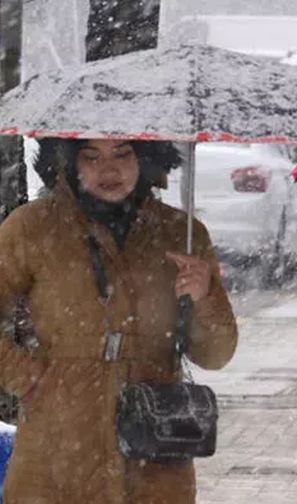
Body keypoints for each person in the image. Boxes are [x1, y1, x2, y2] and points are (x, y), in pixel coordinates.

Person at [0, 138, 238, 503]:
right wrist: (28, 379)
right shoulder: (32, 228)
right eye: (91, 156)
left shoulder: (181, 233)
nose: (108, 170)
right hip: (55, 455)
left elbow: (216, 354)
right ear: (67, 161)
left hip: (155, 456)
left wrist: (206, 297)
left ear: (145, 157)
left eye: (123, 153)